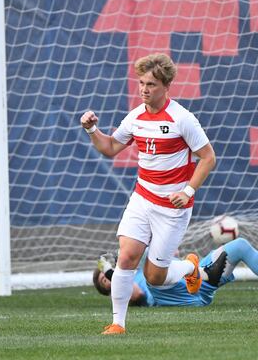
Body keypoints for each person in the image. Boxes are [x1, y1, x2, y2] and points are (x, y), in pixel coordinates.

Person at [80, 53, 217, 335]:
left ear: (166, 86)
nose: (144, 89)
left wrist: (188, 189)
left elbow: (208, 157)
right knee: (127, 257)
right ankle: (118, 324)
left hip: (172, 206)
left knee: (155, 278)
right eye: (141, 83)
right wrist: (92, 129)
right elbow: (109, 148)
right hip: (142, 199)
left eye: (151, 84)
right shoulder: (135, 117)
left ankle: (190, 267)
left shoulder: (182, 119)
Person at [93, 238, 258, 308]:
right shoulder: (125, 293)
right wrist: (109, 269)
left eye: (106, 277)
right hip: (177, 296)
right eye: (106, 282)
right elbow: (136, 294)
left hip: (196, 283)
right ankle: (202, 272)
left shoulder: (138, 268)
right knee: (153, 275)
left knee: (240, 245)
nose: (109, 281)